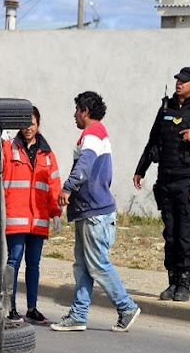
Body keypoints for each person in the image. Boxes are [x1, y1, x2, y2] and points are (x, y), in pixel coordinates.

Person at [50, 91, 140, 333]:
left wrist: (68, 187)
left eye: (77, 110)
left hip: (94, 212)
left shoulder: (92, 133)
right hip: (89, 212)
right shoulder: (97, 133)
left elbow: (85, 164)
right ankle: (79, 315)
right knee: (83, 266)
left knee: (98, 264)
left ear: (85, 111)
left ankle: (127, 307)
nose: (74, 115)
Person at [133, 67, 190, 302]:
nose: (179, 84)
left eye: (184, 81)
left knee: (184, 237)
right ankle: (172, 283)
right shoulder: (165, 109)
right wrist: (140, 170)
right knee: (170, 235)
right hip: (165, 181)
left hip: (187, 182)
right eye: (177, 80)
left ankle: (184, 284)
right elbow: (152, 141)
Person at [2, 106, 62, 324]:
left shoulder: (47, 154)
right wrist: (0, 141)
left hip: (38, 219)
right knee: (13, 262)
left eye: (33, 124)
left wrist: (56, 212)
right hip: (16, 218)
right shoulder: (9, 148)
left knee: (34, 265)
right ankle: (9, 307)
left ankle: (32, 308)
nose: (28, 128)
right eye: (25, 123)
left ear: (38, 125)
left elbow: (54, 185)